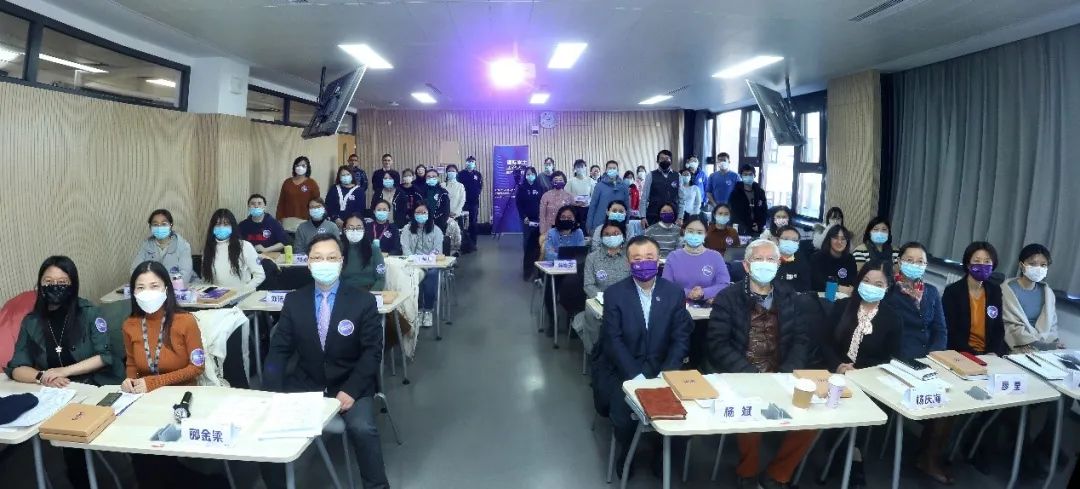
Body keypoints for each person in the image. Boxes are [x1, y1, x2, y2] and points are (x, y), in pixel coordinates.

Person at [262, 235, 389, 489]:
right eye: (318, 258)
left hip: (350, 382)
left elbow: (372, 352)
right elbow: (279, 351)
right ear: (308, 264)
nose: (325, 263)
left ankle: (377, 486)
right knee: (267, 429)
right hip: (307, 382)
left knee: (363, 428)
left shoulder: (362, 301)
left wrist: (352, 390)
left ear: (341, 262)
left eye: (331, 258)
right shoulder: (295, 301)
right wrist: (272, 392)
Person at [707, 239, 815, 489]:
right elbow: (717, 344)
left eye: (771, 259)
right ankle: (748, 472)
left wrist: (785, 374)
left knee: (813, 419)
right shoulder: (728, 297)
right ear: (746, 266)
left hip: (782, 372)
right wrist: (751, 374)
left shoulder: (790, 296)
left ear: (778, 264)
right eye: (758, 259)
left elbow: (801, 340)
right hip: (742, 373)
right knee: (749, 414)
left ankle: (778, 473)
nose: (765, 264)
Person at [6, 256, 122, 489]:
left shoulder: (89, 313)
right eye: (48, 282)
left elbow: (104, 356)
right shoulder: (31, 322)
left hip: (92, 385)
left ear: (73, 284)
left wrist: (63, 371)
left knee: (73, 435)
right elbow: (16, 367)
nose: (55, 286)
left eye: (62, 282)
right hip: (54, 390)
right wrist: (42, 376)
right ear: (40, 285)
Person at [591, 236, 692, 480]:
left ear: (658, 261)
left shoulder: (674, 293)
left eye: (649, 257)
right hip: (625, 368)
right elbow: (613, 341)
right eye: (637, 259)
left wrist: (666, 373)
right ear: (628, 263)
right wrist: (635, 376)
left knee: (684, 416)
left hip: (663, 368)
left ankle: (661, 453)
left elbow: (681, 338)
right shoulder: (615, 294)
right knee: (624, 419)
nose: (643, 263)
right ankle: (626, 453)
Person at [122, 260, 223, 489]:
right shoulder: (130, 324)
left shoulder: (185, 321)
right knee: (140, 451)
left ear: (166, 289)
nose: (147, 292)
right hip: (146, 399)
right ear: (133, 292)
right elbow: (131, 362)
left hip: (183, 397)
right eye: (140, 287)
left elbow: (196, 367)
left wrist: (154, 382)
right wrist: (130, 380)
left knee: (157, 451)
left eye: (154, 286)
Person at [818, 260, 900, 488]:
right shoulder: (842, 307)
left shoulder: (892, 318)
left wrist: (859, 371)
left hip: (868, 377)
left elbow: (891, 357)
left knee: (862, 408)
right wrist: (838, 365)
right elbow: (824, 342)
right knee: (835, 403)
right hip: (834, 372)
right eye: (866, 281)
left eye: (878, 284)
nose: (871, 287)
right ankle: (840, 454)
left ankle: (851, 455)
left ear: (887, 287)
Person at [881, 241, 950, 483]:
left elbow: (940, 329)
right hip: (899, 359)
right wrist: (907, 359)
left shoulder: (931, 291)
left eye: (920, 261)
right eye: (909, 260)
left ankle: (928, 455)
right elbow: (884, 331)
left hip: (929, 359)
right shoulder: (888, 291)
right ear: (899, 262)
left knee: (951, 401)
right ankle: (926, 456)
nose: (915, 265)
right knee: (937, 398)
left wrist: (934, 355)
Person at [574, 223, 631, 352]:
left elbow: (635, 282)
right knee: (595, 318)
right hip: (598, 302)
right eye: (607, 234)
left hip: (626, 301)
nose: (611, 237)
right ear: (601, 238)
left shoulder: (630, 257)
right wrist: (605, 298)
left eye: (616, 234)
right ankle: (597, 352)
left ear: (623, 236)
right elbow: (588, 285)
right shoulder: (592, 258)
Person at [942, 242, 1007, 355]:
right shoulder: (953, 291)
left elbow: (998, 328)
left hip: (989, 353)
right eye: (977, 261)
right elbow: (951, 331)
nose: (982, 265)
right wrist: (974, 355)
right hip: (961, 352)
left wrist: (993, 352)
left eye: (987, 261)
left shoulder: (995, 291)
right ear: (968, 264)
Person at [1002, 243, 1060, 353]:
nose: (1038, 268)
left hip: (1042, 347)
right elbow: (1009, 325)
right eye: (1032, 264)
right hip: (1017, 345)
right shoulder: (1007, 290)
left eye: (1043, 265)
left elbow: (1052, 325)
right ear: (1021, 265)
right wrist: (1033, 343)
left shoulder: (1048, 293)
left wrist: (1053, 343)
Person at [662, 217, 730, 303]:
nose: (694, 235)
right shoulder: (673, 257)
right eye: (690, 231)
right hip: (678, 305)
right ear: (684, 231)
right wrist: (688, 293)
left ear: (705, 234)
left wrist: (703, 293)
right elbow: (666, 285)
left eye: (699, 232)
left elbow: (724, 284)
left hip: (709, 306)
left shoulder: (716, 256)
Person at [400, 204, 444, 327]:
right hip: (412, 264)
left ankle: (428, 310)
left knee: (432, 274)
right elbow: (406, 250)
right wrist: (416, 262)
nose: (421, 215)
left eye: (423, 212)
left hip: (431, 264)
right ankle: (418, 310)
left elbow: (437, 251)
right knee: (412, 274)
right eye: (418, 213)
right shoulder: (407, 229)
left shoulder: (436, 230)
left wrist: (425, 263)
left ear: (429, 214)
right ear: (413, 215)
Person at [200, 209, 266, 289]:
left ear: (232, 226)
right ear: (212, 227)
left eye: (226, 224)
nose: (221, 227)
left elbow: (260, 275)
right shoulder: (208, 249)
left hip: (242, 294)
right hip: (218, 295)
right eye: (217, 224)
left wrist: (243, 290)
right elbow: (205, 279)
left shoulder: (245, 246)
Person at [131, 209, 194, 284]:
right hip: (153, 288)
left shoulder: (183, 246)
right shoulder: (146, 246)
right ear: (150, 227)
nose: (159, 227)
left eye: (164, 224)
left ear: (171, 225)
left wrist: (153, 280)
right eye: (155, 224)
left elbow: (185, 276)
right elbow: (134, 271)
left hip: (179, 288)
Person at [340, 214, 386, 292]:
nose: (355, 231)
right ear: (344, 230)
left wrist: (370, 296)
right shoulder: (338, 250)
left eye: (359, 227)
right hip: (345, 293)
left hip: (370, 292)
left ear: (364, 230)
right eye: (351, 228)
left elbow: (380, 279)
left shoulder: (374, 250)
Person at [810, 225, 858, 294]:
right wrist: (838, 288)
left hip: (843, 297)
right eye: (835, 238)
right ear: (829, 239)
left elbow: (852, 282)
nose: (839, 242)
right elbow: (817, 283)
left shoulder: (850, 259)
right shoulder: (817, 257)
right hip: (821, 296)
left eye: (843, 239)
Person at [516, 166, 544, 281]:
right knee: (527, 243)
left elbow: (543, 203)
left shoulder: (540, 188)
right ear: (525, 176)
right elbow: (519, 204)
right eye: (528, 174)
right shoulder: (521, 188)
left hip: (539, 220)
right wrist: (524, 217)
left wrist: (542, 217)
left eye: (532, 174)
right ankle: (527, 270)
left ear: (535, 175)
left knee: (538, 243)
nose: (530, 176)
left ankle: (537, 269)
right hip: (527, 220)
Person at [586, 160, 629, 232]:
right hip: (600, 223)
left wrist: (627, 222)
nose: (612, 170)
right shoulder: (599, 186)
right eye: (610, 168)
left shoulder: (624, 187)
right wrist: (589, 225)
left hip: (618, 224)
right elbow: (593, 206)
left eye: (614, 168)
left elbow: (627, 206)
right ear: (606, 170)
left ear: (617, 170)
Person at [641, 150, 679, 225]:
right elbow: (644, 198)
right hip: (653, 215)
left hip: (672, 215)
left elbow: (682, 199)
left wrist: (680, 217)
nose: (665, 160)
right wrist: (643, 217)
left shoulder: (678, 176)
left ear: (671, 161)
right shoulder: (650, 175)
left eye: (667, 158)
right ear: (657, 161)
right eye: (662, 158)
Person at [276, 156, 322, 220]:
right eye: (297, 165)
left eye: (303, 166)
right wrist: (279, 218)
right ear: (294, 167)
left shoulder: (312, 183)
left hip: (306, 220)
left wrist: (315, 219)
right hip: (287, 219)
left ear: (307, 168)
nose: (300, 168)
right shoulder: (287, 182)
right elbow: (281, 202)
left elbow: (317, 204)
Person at [728, 164, 767, 236]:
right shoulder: (735, 193)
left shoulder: (760, 192)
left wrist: (760, 224)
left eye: (750, 174)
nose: (748, 176)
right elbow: (733, 213)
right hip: (741, 230)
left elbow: (764, 211)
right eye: (745, 174)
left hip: (757, 230)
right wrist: (743, 226)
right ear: (741, 176)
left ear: (754, 176)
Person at [774, 225, 811, 292]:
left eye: (794, 240)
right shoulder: (769, 258)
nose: (790, 242)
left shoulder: (801, 259)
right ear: (777, 240)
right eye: (786, 239)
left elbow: (806, 285)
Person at [459, 156, 483, 252]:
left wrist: (476, 193)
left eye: (472, 161)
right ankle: (461, 243)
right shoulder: (461, 174)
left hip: (474, 203)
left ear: (475, 163)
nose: (471, 163)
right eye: (469, 161)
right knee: (461, 223)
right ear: (466, 163)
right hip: (462, 202)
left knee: (473, 223)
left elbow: (480, 186)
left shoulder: (478, 174)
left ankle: (473, 243)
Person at [539, 171, 573, 236]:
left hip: (564, 228)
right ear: (551, 181)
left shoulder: (569, 196)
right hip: (549, 229)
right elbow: (542, 215)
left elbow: (572, 214)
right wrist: (542, 231)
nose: (558, 182)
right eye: (556, 180)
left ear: (564, 181)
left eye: (560, 180)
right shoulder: (546, 196)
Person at [567, 159, 595, 223]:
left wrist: (588, 202)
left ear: (585, 168)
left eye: (582, 166)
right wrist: (575, 202)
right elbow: (567, 196)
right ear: (575, 169)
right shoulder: (570, 181)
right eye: (578, 167)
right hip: (575, 208)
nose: (580, 168)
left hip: (587, 209)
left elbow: (594, 196)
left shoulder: (590, 181)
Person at [444, 164, 466, 229]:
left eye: (453, 171)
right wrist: (447, 212)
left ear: (456, 173)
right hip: (445, 215)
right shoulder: (442, 185)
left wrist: (455, 212)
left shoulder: (460, 186)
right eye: (449, 171)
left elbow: (462, 200)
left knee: (458, 233)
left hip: (457, 214)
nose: (451, 172)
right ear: (446, 173)